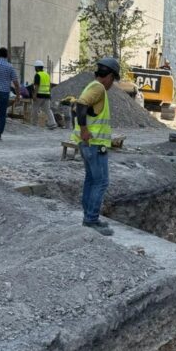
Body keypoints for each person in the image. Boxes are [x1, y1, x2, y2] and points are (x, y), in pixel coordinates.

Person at [70, 57, 121, 236]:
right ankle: (91, 219)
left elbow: (79, 108)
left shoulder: (91, 86)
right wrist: (84, 130)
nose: (112, 84)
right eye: (113, 80)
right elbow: (81, 105)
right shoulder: (98, 88)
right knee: (101, 182)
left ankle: (89, 217)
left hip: (89, 144)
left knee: (91, 180)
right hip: (95, 145)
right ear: (109, 76)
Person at [31, 60, 57, 130]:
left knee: (35, 108)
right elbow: (49, 85)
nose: (35, 69)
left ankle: (34, 123)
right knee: (48, 109)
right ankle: (53, 123)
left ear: (37, 68)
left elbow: (37, 86)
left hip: (39, 95)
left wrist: (34, 95)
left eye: (35, 67)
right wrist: (49, 94)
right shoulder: (47, 75)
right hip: (47, 95)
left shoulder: (38, 75)